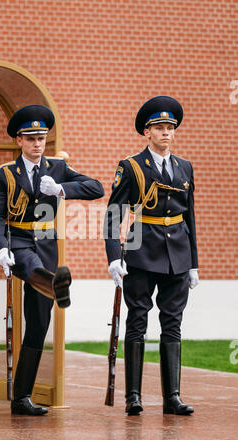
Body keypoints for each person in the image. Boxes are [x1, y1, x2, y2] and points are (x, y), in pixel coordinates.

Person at [0, 104, 104, 415]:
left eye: (42, 138)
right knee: (30, 266)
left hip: (47, 245)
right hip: (20, 242)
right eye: (31, 138)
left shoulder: (57, 168)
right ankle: (53, 283)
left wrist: (62, 189)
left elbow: (97, 188)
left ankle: (22, 398)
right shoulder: (5, 173)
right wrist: (0, 249)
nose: (38, 144)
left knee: (38, 324)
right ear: (19, 141)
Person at [104, 96, 199, 416]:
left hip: (178, 257)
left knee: (173, 324)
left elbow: (190, 219)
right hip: (142, 251)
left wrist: (194, 262)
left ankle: (172, 396)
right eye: (159, 127)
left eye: (170, 128)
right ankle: (134, 396)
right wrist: (114, 256)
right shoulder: (130, 166)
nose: (166, 133)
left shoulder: (184, 166)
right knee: (138, 321)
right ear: (147, 132)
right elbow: (114, 213)